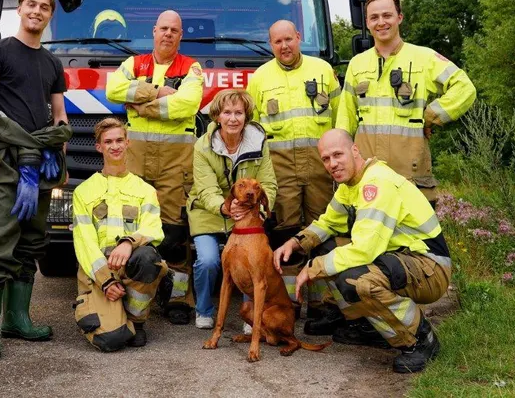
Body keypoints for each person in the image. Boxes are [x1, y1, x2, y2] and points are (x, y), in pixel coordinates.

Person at [273, 129, 451, 373]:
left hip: (429, 267)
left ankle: (420, 339)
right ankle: (368, 326)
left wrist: (314, 268)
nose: (332, 164)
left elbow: (364, 250)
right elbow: (327, 224)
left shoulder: (376, 183)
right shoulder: (350, 185)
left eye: (338, 155)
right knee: (324, 247)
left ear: (355, 150)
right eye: (326, 159)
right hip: (401, 258)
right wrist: (296, 242)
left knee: (358, 280)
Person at [0, 0, 72, 361]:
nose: (37, 11)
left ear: (50, 15)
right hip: (5, 160)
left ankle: (18, 319)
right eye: (31, 4)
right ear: (20, 8)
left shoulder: (52, 63)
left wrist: (60, 159)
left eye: (44, 7)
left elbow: (59, 115)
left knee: (31, 239)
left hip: (40, 164)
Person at [105, 10, 204, 325]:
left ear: (181, 35)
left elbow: (188, 104)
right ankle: (131, 291)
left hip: (175, 163)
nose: (168, 34)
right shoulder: (134, 64)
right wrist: (158, 92)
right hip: (136, 160)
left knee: (175, 233)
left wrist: (140, 105)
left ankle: (177, 298)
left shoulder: (191, 67)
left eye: (174, 30)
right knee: (131, 227)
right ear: (154, 31)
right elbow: (112, 90)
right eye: (164, 28)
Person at [336, 0, 476, 205]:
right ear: (367, 23)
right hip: (367, 175)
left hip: (410, 175)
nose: (381, 22)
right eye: (374, 17)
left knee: (417, 227)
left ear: (399, 17)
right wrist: (342, 160)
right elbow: (345, 119)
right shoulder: (357, 64)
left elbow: (465, 88)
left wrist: (431, 116)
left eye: (387, 15)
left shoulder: (424, 57)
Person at [245, 20, 341, 322]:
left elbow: (341, 118)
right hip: (281, 169)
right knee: (286, 232)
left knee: (322, 231)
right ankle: (288, 304)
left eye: (289, 39)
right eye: (278, 42)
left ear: (299, 37)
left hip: (320, 167)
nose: (284, 46)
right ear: (271, 44)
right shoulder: (260, 78)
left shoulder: (323, 70)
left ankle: (321, 305)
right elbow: (253, 129)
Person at [72, 118, 169, 351]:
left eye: (119, 140)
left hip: (130, 265)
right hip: (99, 273)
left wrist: (128, 242)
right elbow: (84, 243)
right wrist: (105, 280)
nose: (114, 146)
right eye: (108, 142)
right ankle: (113, 314)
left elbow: (153, 228)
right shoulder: (83, 192)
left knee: (148, 258)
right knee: (111, 340)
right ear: (99, 147)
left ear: (127, 143)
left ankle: (137, 320)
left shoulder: (145, 190)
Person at [187, 89, 276, 330]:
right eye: (227, 112)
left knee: (253, 259)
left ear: (246, 116)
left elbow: (268, 184)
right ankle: (204, 310)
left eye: (239, 113)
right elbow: (206, 189)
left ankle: (251, 312)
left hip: (248, 213)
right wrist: (225, 207)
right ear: (217, 116)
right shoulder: (202, 146)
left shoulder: (259, 143)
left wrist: (258, 211)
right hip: (209, 211)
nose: (233, 119)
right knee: (208, 260)